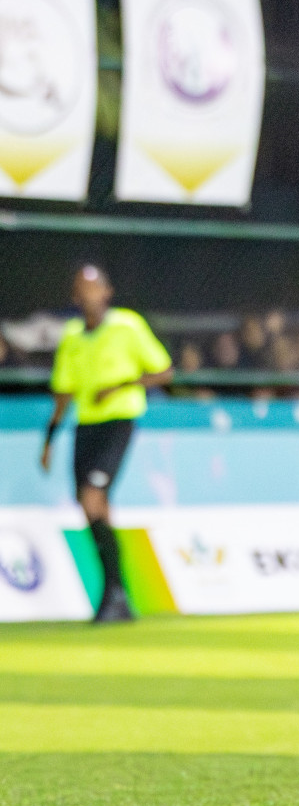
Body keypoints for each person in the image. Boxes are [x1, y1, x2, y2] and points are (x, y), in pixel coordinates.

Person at [39, 265, 173, 623]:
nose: (89, 296)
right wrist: (49, 440)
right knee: (92, 510)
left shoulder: (127, 326)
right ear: (75, 298)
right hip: (85, 427)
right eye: (82, 290)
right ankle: (118, 596)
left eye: (94, 288)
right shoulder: (71, 336)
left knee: (92, 497)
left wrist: (121, 385)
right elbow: (63, 394)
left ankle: (113, 593)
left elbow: (165, 370)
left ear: (107, 292)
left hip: (118, 423)